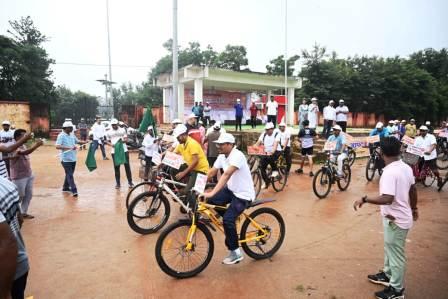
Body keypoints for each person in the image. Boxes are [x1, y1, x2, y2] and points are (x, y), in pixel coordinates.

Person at [353, 136, 418, 299]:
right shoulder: (405, 167)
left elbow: (387, 198)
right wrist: (414, 207)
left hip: (396, 220)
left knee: (396, 255)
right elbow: (413, 190)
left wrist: (365, 199)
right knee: (390, 249)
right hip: (396, 218)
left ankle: (396, 290)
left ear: (382, 152)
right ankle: (387, 275)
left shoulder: (390, 172)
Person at [203, 133, 255, 265]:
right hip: (231, 190)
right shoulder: (221, 156)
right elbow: (212, 172)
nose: (218, 146)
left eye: (221, 144)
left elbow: (226, 175)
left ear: (230, 145)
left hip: (243, 194)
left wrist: (212, 192)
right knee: (211, 201)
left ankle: (236, 253)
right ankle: (230, 224)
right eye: (218, 144)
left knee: (227, 219)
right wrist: (198, 186)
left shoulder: (237, 155)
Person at [0, 176, 30, 299]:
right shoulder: (5, 182)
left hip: (5, 273)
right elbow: (19, 219)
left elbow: (8, 243)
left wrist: (4, 293)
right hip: (20, 266)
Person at [9, 129, 44, 219]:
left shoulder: (23, 145)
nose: (26, 137)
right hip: (19, 176)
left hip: (28, 174)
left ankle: (23, 212)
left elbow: (26, 151)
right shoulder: (13, 146)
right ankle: (12, 214)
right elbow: (25, 152)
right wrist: (36, 145)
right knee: (19, 196)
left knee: (28, 195)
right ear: (17, 137)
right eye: (24, 136)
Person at [172, 124, 209, 205]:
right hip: (191, 167)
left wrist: (183, 173)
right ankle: (181, 190)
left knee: (190, 192)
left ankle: (194, 212)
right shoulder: (181, 144)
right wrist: (159, 165)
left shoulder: (192, 143)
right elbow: (171, 155)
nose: (177, 139)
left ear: (183, 135)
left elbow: (196, 161)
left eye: (178, 137)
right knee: (173, 169)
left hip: (200, 170)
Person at [55, 121, 87, 197]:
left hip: (73, 158)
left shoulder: (72, 135)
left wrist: (85, 142)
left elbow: (78, 141)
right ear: (65, 128)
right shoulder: (61, 136)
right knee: (70, 174)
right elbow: (57, 146)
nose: (72, 128)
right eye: (71, 127)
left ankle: (65, 187)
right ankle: (74, 190)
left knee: (69, 174)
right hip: (65, 159)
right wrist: (69, 147)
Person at [106, 119, 134, 189]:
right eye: (113, 125)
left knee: (127, 166)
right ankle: (118, 183)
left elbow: (126, 139)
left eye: (115, 125)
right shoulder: (109, 132)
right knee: (116, 167)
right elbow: (106, 141)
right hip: (114, 151)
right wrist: (111, 144)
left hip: (124, 150)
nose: (114, 126)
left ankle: (130, 182)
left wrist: (121, 142)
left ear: (117, 124)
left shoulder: (122, 130)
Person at [253, 122, 281, 189]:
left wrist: (272, 151)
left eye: (268, 129)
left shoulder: (276, 134)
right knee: (262, 167)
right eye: (266, 129)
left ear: (272, 129)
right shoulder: (264, 134)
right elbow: (257, 143)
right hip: (266, 152)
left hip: (276, 151)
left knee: (270, 157)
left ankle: (275, 170)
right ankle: (267, 181)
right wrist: (255, 147)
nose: (267, 131)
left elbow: (275, 144)